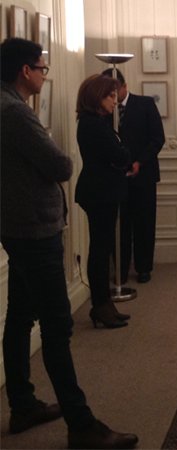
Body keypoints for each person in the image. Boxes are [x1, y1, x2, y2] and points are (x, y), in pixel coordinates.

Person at [1, 37, 137, 448]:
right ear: (25, 70)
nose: (45, 75)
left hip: (18, 226)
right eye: (42, 68)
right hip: (34, 229)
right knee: (57, 324)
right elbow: (61, 164)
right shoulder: (14, 112)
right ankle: (82, 425)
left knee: (19, 315)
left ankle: (23, 403)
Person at [75, 74, 131, 329]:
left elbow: (118, 154)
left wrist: (121, 154)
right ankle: (100, 306)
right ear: (97, 97)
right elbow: (120, 155)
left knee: (103, 248)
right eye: (110, 96)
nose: (114, 101)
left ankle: (105, 304)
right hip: (99, 193)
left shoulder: (96, 122)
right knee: (100, 250)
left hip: (102, 191)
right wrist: (123, 154)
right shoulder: (93, 125)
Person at [102, 69, 165, 284]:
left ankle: (143, 267)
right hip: (116, 176)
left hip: (144, 175)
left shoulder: (145, 104)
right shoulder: (104, 110)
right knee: (120, 225)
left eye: (114, 91)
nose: (112, 97)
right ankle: (120, 268)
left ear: (124, 86)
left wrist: (139, 162)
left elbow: (157, 139)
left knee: (144, 223)